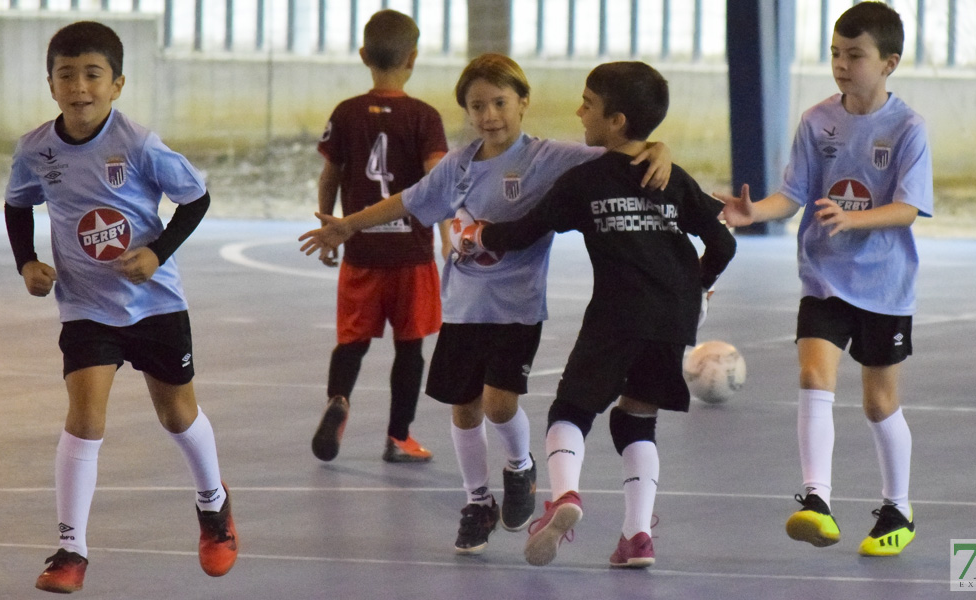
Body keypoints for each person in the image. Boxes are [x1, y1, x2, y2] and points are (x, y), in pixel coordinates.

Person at [299, 53, 672, 556]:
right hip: (464, 308)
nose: (489, 114)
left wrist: (659, 148)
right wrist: (348, 224)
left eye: (499, 102)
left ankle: (520, 468)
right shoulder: (458, 166)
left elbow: (622, 155)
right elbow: (409, 201)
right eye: (477, 106)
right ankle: (477, 500)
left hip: (516, 309)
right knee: (465, 409)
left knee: (500, 404)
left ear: (523, 103)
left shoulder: (546, 157)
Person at [454, 61, 736, 568]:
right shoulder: (669, 175)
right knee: (637, 420)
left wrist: (478, 236)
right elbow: (722, 241)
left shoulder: (586, 181)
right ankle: (636, 538)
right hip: (673, 313)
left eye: (588, 104)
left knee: (571, 412)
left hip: (618, 312)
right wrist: (700, 285)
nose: (579, 111)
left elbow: (527, 229)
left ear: (617, 121)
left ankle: (563, 498)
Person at [3, 21, 238, 593]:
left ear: (118, 83)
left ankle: (214, 506)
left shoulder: (137, 144)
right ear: (51, 84)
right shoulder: (37, 150)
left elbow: (196, 198)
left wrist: (157, 253)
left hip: (154, 305)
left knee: (177, 416)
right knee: (85, 421)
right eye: (67, 75)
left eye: (92, 74)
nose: (79, 86)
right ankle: (70, 549)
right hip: (85, 306)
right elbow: (17, 206)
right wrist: (27, 263)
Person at [719, 1, 933, 557]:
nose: (841, 63)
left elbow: (909, 208)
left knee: (879, 404)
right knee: (815, 375)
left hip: (885, 283)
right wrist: (754, 213)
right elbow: (792, 195)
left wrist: (853, 217)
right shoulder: (817, 121)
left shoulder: (908, 128)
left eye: (854, 55)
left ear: (889, 62)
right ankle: (817, 501)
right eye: (835, 53)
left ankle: (898, 508)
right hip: (824, 277)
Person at [308, 9, 449, 465]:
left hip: (361, 251)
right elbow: (436, 180)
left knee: (352, 341)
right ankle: (399, 437)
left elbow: (331, 173)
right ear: (413, 57)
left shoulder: (347, 113)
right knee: (410, 348)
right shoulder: (425, 117)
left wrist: (331, 225)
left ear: (364, 54)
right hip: (411, 255)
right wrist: (449, 233)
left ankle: (338, 400)